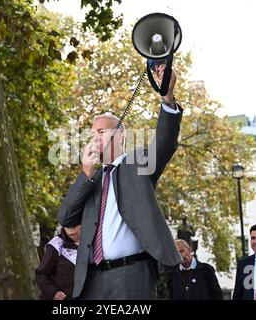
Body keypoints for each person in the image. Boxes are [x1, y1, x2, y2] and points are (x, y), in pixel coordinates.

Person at [58, 64, 183, 299]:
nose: (95, 138)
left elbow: (165, 143)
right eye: (92, 133)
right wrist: (85, 173)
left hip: (131, 276)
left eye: (102, 132)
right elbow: (66, 217)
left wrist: (167, 96)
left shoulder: (137, 163)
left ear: (121, 135)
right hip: (91, 280)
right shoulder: (91, 179)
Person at [35, 225, 81, 300]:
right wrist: (53, 292)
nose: (71, 227)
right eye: (67, 224)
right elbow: (41, 274)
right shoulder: (56, 245)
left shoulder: (95, 244)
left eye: (74, 223)